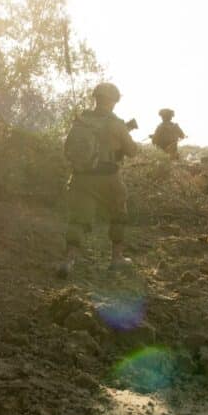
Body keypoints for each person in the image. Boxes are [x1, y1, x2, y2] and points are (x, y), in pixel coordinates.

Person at [60, 83, 138, 276]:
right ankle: (117, 259)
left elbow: (67, 148)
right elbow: (132, 151)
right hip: (109, 177)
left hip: (81, 178)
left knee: (78, 220)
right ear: (113, 100)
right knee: (119, 215)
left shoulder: (81, 121)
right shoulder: (116, 123)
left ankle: (69, 260)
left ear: (96, 98)